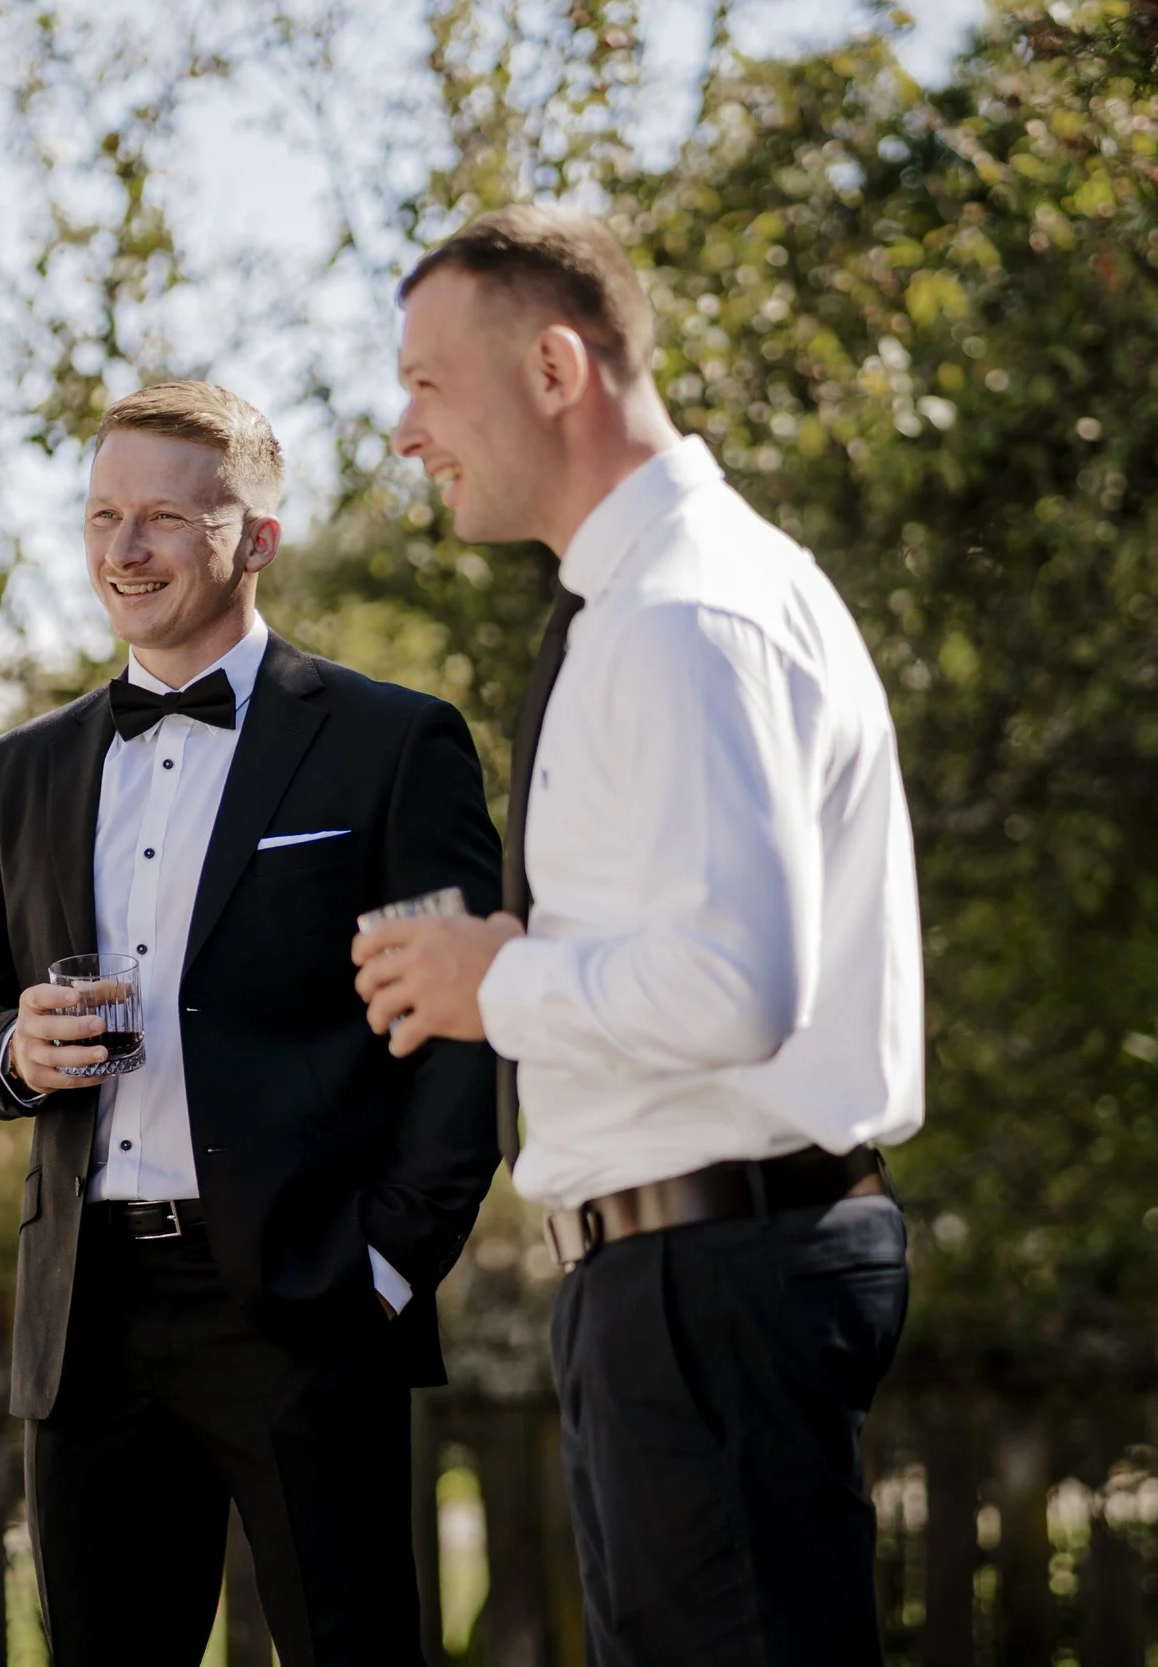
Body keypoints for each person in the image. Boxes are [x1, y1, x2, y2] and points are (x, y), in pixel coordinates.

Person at [352, 204, 923, 1664]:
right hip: (692, 1281)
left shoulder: (682, 611)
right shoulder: (656, 596)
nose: (405, 432)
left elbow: (735, 985)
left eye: (428, 383)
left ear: (556, 368)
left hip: (713, 1284)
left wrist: (500, 983)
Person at [0, 381, 500, 1666]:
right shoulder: (23, 769)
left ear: (257, 538)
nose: (123, 549)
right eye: (102, 515)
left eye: (164, 518)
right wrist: (11, 1047)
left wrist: (384, 1268)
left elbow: (467, 1039)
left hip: (308, 1299)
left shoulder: (392, 744)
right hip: (87, 1316)